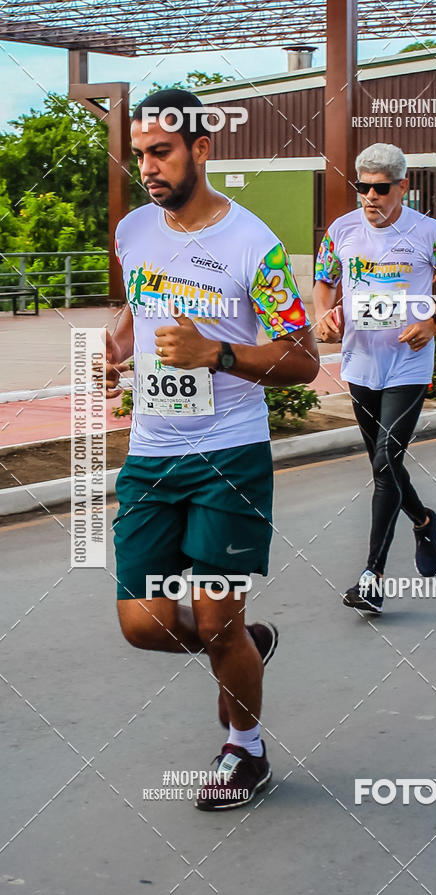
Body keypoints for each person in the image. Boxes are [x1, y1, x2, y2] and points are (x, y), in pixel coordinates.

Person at [103, 89, 319, 809]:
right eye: (139, 154)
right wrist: (121, 342)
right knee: (142, 622)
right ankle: (242, 643)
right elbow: (138, 298)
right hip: (151, 452)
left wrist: (216, 353)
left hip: (229, 453)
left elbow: (303, 358)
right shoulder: (134, 229)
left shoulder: (252, 244)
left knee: (213, 614)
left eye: (160, 151)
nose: (148, 167)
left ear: (201, 149)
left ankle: (244, 750)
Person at [313, 143, 436, 614]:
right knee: (386, 465)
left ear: (403, 187)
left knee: (386, 461)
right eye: (362, 187)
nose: (370, 197)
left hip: (408, 362)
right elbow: (325, 281)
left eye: (381, 188)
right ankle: (423, 521)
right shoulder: (341, 230)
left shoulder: (429, 233)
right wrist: (324, 314)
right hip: (359, 362)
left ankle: (372, 575)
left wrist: (433, 322)